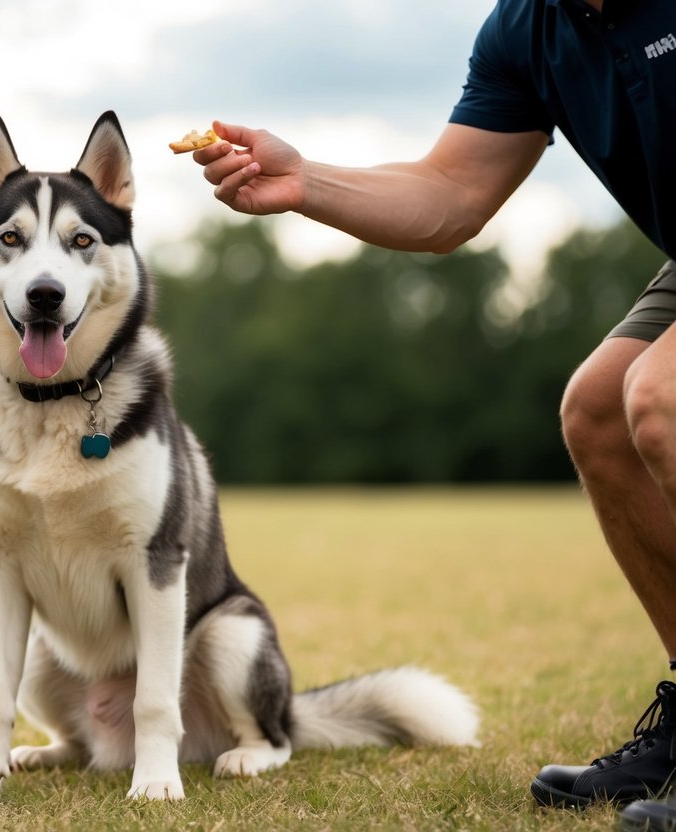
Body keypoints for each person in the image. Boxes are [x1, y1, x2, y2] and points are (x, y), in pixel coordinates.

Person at [193, 0, 675, 828]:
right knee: (598, 411)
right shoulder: (527, 28)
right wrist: (306, 182)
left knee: (659, 396)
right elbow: (452, 193)